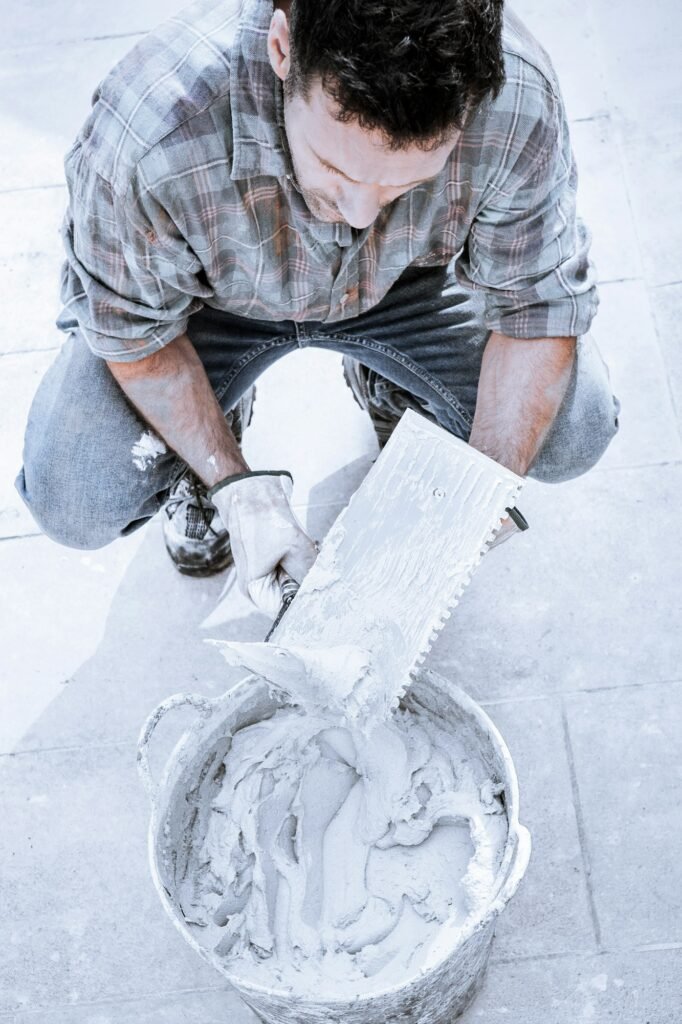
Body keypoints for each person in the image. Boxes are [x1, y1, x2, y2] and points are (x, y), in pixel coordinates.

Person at [17, 0, 619, 612]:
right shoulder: (147, 133)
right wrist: (232, 485)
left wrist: (478, 493)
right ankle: (212, 423)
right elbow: (132, 335)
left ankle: (392, 389)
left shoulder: (515, 98)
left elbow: (537, 308)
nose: (361, 215)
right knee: (76, 494)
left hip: (406, 284)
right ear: (282, 48)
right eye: (334, 167)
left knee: (571, 432)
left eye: (405, 185)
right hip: (206, 306)